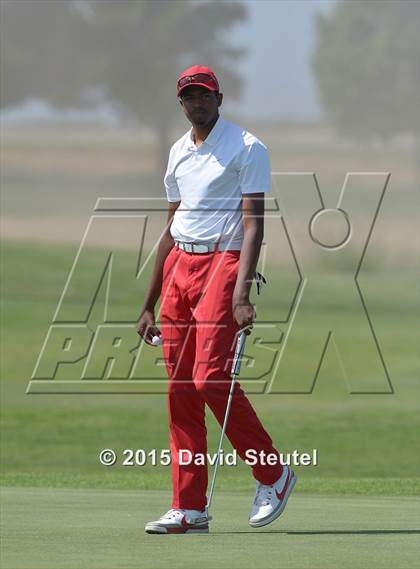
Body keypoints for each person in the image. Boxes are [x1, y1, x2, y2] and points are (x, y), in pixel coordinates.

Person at [137, 65, 296, 534]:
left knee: (210, 379)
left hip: (224, 264)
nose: (197, 103)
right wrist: (148, 301)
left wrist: (242, 291)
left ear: (219, 97)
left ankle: (273, 473)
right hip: (179, 267)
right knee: (180, 388)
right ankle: (189, 506)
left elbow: (254, 225)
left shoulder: (247, 148)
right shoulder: (177, 153)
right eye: (189, 97)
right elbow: (171, 227)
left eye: (204, 95)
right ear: (180, 102)